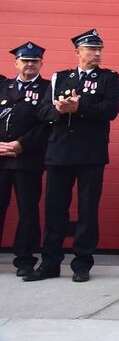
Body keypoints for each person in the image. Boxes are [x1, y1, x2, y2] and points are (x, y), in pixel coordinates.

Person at [26, 30, 119, 283]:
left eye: (99, 49)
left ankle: (82, 263)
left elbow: (110, 110)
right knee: (54, 209)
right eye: (91, 49)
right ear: (78, 52)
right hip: (60, 151)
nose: (97, 54)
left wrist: (80, 107)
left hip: (91, 152)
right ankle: (50, 263)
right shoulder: (60, 77)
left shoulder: (109, 78)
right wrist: (58, 110)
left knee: (87, 210)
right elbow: (42, 111)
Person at [0, 42, 51, 276]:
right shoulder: (3, 87)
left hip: (28, 159)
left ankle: (24, 259)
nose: (30, 64)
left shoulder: (48, 89)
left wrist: (22, 144)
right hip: (1, 158)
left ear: (41, 63)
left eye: (34, 61)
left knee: (28, 211)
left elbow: (47, 124)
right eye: (25, 60)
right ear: (16, 63)